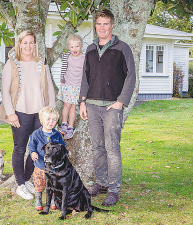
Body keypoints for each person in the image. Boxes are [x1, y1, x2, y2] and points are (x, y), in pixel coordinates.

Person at [79, 9, 136, 206]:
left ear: (112, 25)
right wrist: (82, 102)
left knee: (112, 149)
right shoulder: (90, 49)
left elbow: (131, 76)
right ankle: (101, 183)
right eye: (98, 24)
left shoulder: (123, 48)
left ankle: (113, 189)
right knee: (97, 147)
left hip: (112, 107)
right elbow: (85, 77)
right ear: (95, 26)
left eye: (105, 23)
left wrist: (121, 101)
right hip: (93, 106)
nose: (102, 27)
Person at [0, 30, 56, 200]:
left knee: (37, 148)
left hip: (39, 114)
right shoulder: (11, 64)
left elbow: (50, 89)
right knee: (20, 148)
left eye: (31, 42)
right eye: (25, 42)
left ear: (35, 44)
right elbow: (5, 91)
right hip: (20, 113)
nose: (28, 46)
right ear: (19, 44)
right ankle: (20, 185)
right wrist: (11, 113)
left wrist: (51, 114)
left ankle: (26, 180)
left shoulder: (42, 64)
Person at [28, 106, 65, 210]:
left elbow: (62, 147)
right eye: (48, 119)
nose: (51, 122)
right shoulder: (36, 134)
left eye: (54, 120)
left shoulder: (57, 135)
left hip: (53, 167)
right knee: (39, 182)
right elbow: (31, 146)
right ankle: (38, 199)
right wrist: (33, 152)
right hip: (40, 165)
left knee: (53, 183)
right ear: (41, 120)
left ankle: (53, 199)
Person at [57, 34, 85, 139]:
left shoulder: (84, 57)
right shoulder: (67, 56)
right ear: (68, 48)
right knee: (66, 106)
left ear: (81, 46)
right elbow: (59, 54)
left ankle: (70, 127)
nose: (74, 49)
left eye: (77, 46)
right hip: (68, 85)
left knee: (73, 107)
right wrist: (57, 45)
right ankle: (64, 123)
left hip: (77, 86)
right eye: (72, 47)